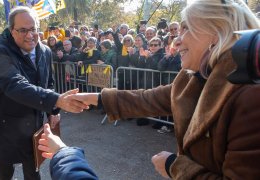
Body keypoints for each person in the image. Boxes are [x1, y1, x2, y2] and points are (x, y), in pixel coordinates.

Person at [66, 0, 260, 179]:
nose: (176, 41)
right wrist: (96, 98)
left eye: (186, 29)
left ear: (217, 32)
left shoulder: (250, 96)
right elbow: (148, 99)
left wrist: (174, 166)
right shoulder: (194, 77)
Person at [0, 6, 88, 180]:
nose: (30, 35)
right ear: (12, 31)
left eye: (33, 29)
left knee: (33, 171)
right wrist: (57, 100)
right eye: (23, 30)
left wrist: (53, 111)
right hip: (4, 126)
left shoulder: (45, 51)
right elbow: (15, 85)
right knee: (4, 172)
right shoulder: (0, 52)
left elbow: (48, 82)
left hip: (33, 126)